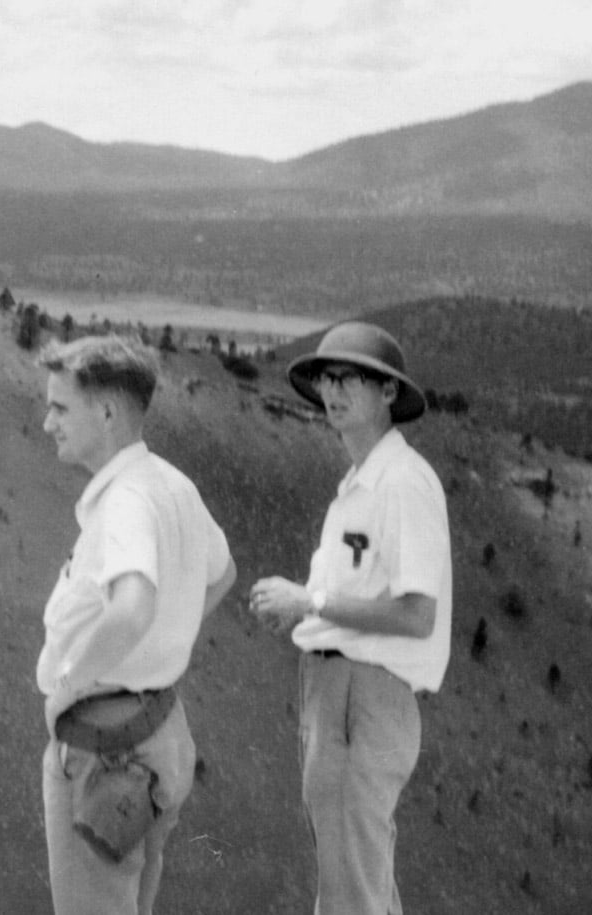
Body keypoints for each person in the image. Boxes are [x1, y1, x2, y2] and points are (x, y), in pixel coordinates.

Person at [249, 321, 452, 915]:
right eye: (325, 378)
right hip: (335, 690)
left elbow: (417, 615)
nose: (333, 391)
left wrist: (308, 602)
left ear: (389, 392)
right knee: (356, 877)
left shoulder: (403, 483)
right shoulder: (359, 485)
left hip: (365, 696)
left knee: (350, 886)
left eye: (351, 379)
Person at [36, 335, 236, 915]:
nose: (48, 422)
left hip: (103, 748)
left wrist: (69, 685)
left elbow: (132, 607)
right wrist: (162, 646)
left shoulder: (123, 501)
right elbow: (222, 574)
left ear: (106, 412)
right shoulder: (172, 485)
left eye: (60, 407)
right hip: (159, 730)